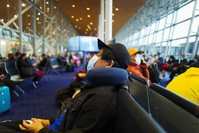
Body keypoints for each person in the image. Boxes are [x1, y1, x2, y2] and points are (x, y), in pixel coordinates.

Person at [0, 39, 131, 133]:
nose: (92, 58)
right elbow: (69, 116)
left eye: (98, 55)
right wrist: (47, 122)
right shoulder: (95, 87)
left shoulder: (101, 99)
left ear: (109, 64)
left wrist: (39, 130)